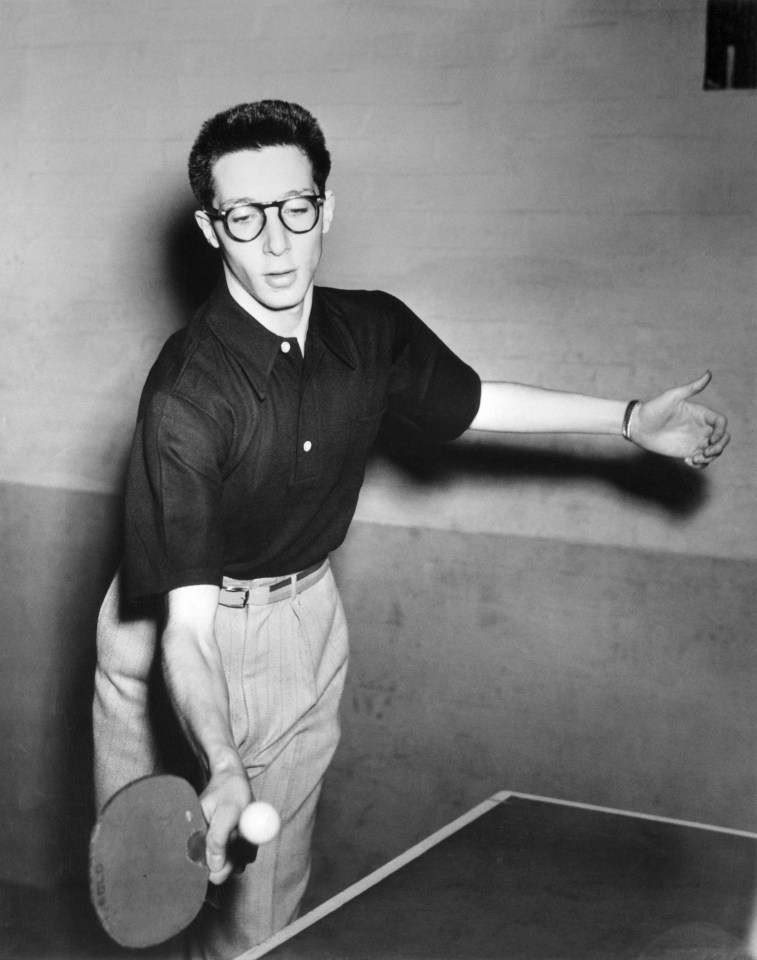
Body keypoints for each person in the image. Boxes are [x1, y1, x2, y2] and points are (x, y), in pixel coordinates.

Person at [93, 99, 730, 959]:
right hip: (174, 621)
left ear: (327, 208)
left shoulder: (372, 330)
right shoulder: (188, 398)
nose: (277, 243)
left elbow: (475, 402)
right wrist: (222, 756)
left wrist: (626, 419)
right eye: (245, 218)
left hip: (304, 613)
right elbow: (189, 626)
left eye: (295, 209)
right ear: (212, 229)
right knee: (168, 895)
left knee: (261, 910)